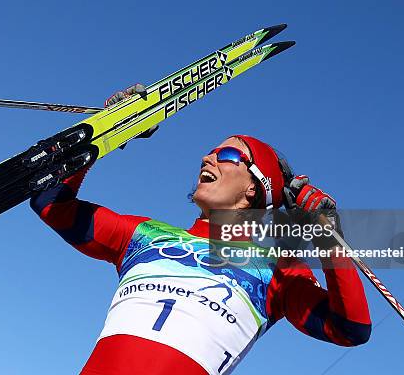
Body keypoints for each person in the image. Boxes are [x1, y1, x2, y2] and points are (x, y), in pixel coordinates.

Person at [30, 86, 371, 374]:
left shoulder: (276, 269)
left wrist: (328, 236)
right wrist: (108, 131)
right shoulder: (144, 234)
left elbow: (349, 328)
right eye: (209, 153)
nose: (207, 159)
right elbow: (50, 203)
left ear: (254, 187)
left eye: (225, 155)